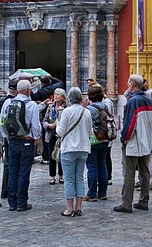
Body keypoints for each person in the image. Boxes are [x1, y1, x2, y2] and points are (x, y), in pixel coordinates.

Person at [114, 74, 152, 213]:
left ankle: (126, 204)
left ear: (132, 85)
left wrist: (124, 138)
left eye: (128, 83)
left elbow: (130, 123)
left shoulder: (133, 101)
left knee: (129, 173)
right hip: (147, 141)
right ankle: (144, 201)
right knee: (145, 173)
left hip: (134, 141)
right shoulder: (149, 101)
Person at [0, 79, 41, 211]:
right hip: (26, 141)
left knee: (13, 172)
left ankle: (12, 202)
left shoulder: (8, 102)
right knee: (24, 172)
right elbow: (35, 125)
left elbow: (2, 122)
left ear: (17, 90)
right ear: (28, 90)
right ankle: (22, 202)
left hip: (12, 140)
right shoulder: (32, 105)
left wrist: (7, 136)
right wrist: (36, 138)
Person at [57, 86, 93, 217]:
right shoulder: (86, 112)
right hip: (83, 148)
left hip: (69, 149)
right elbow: (90, 132)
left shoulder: (66, 112)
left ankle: (69, 208)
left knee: (69, 179)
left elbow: (60, 132)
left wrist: (56, 125)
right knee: (79, 178)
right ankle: (79, 207)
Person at [85, 84, 112, 202]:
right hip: (105, 139)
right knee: (102, 165)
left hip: (93, 140)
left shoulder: (90, 109)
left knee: (92, 167)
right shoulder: (105, 106)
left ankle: (92, 194)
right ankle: (103, 193)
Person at [42, 89, 66, 184]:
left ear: (63, 97)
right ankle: (52, 176)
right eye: (55, 94)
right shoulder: (50, 107)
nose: (56, 96)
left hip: (61, 135)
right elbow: (44, 120)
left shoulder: (66, 107)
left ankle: (61, 175)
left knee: (61, 155)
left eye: (58, 95)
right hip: (51, 133)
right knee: (52, 155)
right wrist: (48, 125)